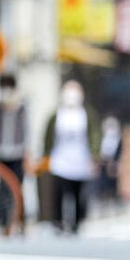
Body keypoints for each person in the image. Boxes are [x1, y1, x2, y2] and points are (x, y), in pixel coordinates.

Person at [42, 79, 99, 233]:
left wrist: (94, 156)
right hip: (60, 161)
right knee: (58, 193)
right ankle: (58, 221)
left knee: (78, 194)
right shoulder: (57, 114)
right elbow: (48, 137)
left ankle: (76, 223)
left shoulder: (87, 114)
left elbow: (95, 136)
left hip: (80, 160)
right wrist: (46, 156)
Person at [0, 73, 28, 231]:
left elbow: (27, 131)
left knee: (18, 188)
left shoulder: (21, 109)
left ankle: (20, 220)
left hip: (17, 154)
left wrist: (27, 153)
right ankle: (5, 222)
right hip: (0, 154)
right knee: (2, 189)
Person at [97, 116, 123, 209]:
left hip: (113, 163)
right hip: (104, 163)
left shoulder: (117, 138)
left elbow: (119, 151)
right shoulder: (103, 137)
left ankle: (114, 200)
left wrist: (115, 161)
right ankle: (104, 200)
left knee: (113, 184)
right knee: (103, 183)